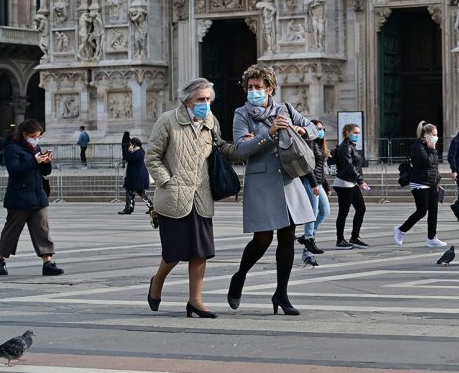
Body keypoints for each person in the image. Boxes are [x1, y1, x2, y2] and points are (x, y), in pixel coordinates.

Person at [145, 78, 241, 318]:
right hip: (174, 197)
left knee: (201, 251)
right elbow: (152, 157)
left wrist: (250, 145)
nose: (205, 104)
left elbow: (221, 149)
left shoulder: (211, 121)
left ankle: (195, 301)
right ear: (188, 99)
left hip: (201, 195)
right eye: (201, 99)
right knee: (174, 252)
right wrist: (167, 182)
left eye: (208, 99)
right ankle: (157, 281)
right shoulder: (167, 121)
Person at [227, 64, 318, 316]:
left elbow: (314, 129)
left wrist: (301, 129)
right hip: (261, 182)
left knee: (288, 235)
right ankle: (240, 276)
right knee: (262, 238)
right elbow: (241, 150)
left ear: (270, 88)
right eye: (249, 87)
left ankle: (282, 293)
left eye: (258, 87)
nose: (253, 91)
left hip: (288, 179)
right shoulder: (241, 114)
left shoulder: (285, 109)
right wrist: (268, 133)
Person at [0, 119, 64, 276]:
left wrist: (46, 162)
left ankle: (47, 262)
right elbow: (14, 170)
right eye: (33, 136)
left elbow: (44, 172)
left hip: (38, 195)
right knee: (12, 231)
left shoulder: (36, 147)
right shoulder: (12, 149)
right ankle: (0, 259)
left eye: (38, 136)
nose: (36, 139)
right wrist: (34, 160)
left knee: (42, 229)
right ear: (24, 134)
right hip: (19, 197)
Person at [393, 121, 447, 248]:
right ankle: (401, 230)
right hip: (419, 182)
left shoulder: (430, 147)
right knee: (422, 211)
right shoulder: (418, 146)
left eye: (436, 135)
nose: (436, 137)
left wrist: (437, 180)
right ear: (426, 135)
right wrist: (432, 149)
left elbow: (434, 165)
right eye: (434, 134)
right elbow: (427, 162)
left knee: (434, 210)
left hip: (432, 182)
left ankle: (432, 237)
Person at [333, 123, 370, 250]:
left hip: (351, 182)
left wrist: (360, 180)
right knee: (343, 212)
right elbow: (349, 166)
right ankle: (340, 239)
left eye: (358, 133)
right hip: (344, 183)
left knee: (361, 208)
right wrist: (360, 181)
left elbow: (357, 166)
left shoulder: (352, 146)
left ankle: (354, 237)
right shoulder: (345, 147)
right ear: (347, 132)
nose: (357, 135)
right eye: (355, 132)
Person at [297, 119, 332, 255]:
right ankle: (309, 238)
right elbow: (308, 166)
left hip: (318, 182)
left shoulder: (318, 144)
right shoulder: (309, 143)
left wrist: (326, 185)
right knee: (312, 212)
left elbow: (321, 168)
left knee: (325, 210)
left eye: (323, 128)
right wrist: (313, 184)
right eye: (318, 128)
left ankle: (307, 236)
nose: (321, 131)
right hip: (311, 182)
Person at [118, 137, 154, 215]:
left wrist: (129, 151)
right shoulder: (139, 151)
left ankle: (129, 208)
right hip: (135, 177)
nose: (129, 146)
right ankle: (149, 206)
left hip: (136, 177)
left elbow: (127, 158)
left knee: (135, 192)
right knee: (133, 192)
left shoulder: (138, 152)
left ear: (134, 144)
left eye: (130, 144)